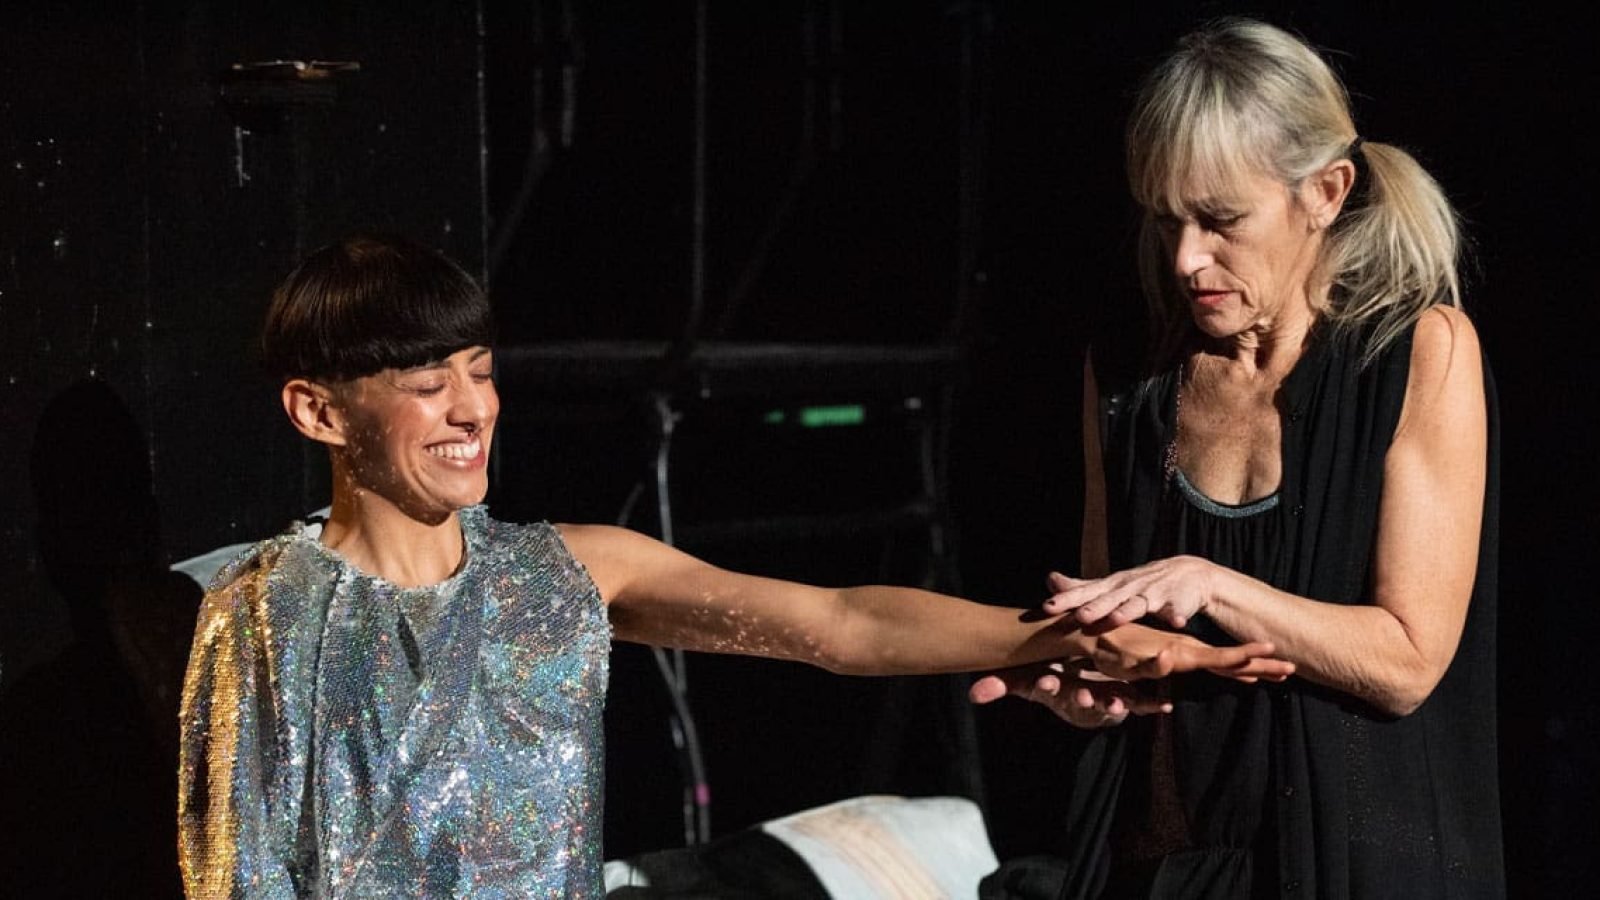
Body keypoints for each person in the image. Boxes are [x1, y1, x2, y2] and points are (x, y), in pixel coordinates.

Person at [176, 234, 1291, 898]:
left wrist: (1065, 634)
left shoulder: (568, 572)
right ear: (320, 411)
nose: (472, 410)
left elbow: (835, 622)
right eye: (427, 384)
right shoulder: (261, 610)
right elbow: (235, 876)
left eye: (480, 369)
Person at [972, 18, 1501, 898]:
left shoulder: (1418, 354)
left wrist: (1214, 582)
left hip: (1362, 866)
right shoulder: (1131, 374)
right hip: (1164, 865)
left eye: (1221, 221)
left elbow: (1407, 661)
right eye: (1166, 218)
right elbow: (1123, 624)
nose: (1186, 259)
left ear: (1326, 192)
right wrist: (1084, 682)